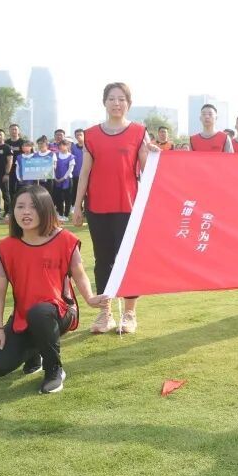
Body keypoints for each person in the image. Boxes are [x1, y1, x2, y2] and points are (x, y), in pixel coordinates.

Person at [0, 185, 109, 394]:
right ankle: (36, 353)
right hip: (24, 317)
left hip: (60, 311)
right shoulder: (5, 247)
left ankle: (54, 369)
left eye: (33, 207)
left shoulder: (65, 239)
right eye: (20, 207)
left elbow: (79, 274)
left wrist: (89, 298)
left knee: (40, 313)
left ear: (46, 209)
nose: (26, 212)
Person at [73, 82, 153, 334]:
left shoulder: (139, 132)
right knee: (103, 260)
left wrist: (154, 154)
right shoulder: (91, 135)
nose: (116, 103)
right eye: (111, 98)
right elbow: (85, 173)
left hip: (128, 207)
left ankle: (129, 313)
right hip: (97, 207)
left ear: (128, 103)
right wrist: (77, 206)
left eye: (121, 99)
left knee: (128, 260)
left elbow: (148, 170)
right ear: (104, 102)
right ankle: (105, 313)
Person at [53, 139, 76, 220]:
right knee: (58, 197)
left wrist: (63, 178)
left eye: (63, 145)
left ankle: (66, 215)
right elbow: (53, 167)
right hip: (57, 179)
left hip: (67, 180)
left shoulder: (71, 156)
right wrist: (55, 177)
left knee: (67, 198)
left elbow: (70, 169)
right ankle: (60, 213)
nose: (61, 147)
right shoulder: (56, 155)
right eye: (60, 145)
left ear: (68, 146)